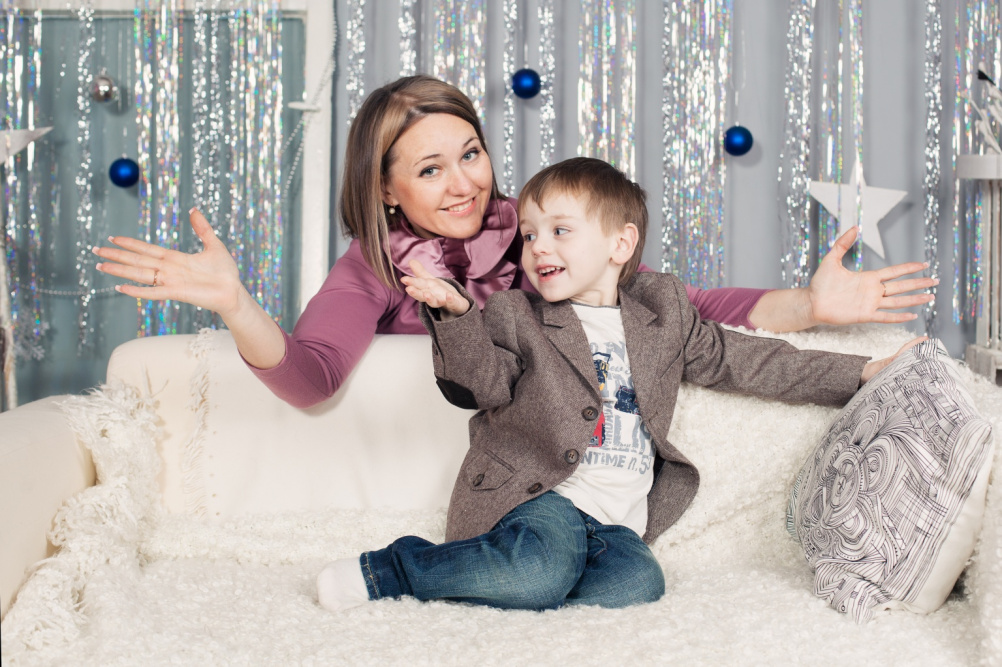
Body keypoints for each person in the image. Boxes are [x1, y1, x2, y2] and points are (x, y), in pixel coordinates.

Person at [92, 75, 935, 409]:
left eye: (470, 153)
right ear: (385, 189)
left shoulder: (538, 233)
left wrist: (808, 304)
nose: (464, 182)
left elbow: (681, 304)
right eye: (430, 170)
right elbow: (312, 379)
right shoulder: (375, 268)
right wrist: (236, 304)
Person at [314, 157, 924, 612]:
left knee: (637, 586)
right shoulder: (515, 316)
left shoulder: (663, 315)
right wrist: (455, 314)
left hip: (616, 521)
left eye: (560, 230)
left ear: (620, 243)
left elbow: (750, 361)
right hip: (538, 496)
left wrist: (859, 373)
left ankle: (527, 580)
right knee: (539, 570)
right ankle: (393, 570)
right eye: (530, 234)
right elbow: (484, 385)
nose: (538, 248)